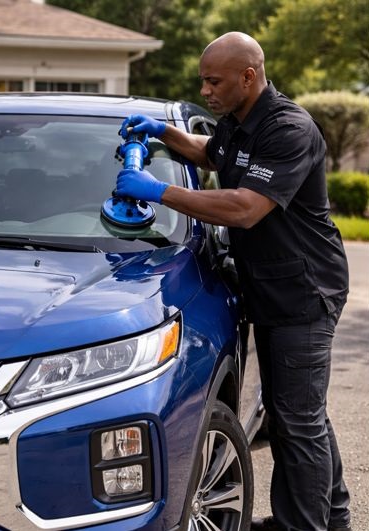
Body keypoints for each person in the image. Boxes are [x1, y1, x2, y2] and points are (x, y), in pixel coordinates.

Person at [116, 32, 351, 531]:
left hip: (303, 293)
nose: (205, 90)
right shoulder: (239, 122)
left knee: (295, 423)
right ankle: (332, 517)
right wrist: (163, 133)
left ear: (249, 76)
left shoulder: (288, 128)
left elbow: (245, 208)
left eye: (214, 81)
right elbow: (211, 154)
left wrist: (157, 191)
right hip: (272, 288)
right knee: (300, 412)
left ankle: (302, 525)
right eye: (203, 81)